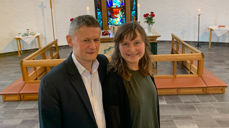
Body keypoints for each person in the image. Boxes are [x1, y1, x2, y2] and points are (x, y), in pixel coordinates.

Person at [38, 15, 108, 128]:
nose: (93, 46)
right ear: (70, 40)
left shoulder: (103, 64)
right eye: (86, 40)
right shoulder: (51, 82)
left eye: (96, 40)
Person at [103, 22, 160, 128]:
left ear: (145, 44)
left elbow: (152, 112)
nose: (132, 49)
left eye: (137, 43)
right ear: (118, 47)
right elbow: (113, 121)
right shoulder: (114, 79)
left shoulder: (146, 71)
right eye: (125, 44)